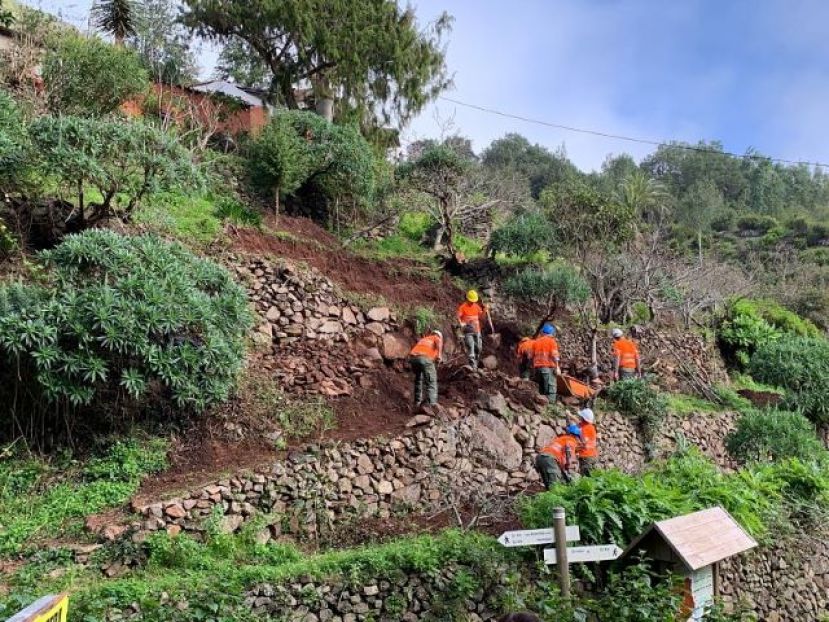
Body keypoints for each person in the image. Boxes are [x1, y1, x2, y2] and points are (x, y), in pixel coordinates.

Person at [535, 424, 581, 489]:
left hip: (540, 457)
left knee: (548, 485)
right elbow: (568, 456)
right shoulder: (571, 440)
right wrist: (569, 467)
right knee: (555, 486)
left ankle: (547, 498)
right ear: (576, 436)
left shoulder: (561, 439)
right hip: (549, 459)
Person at [456, 290, 491, 368]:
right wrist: (461, 323)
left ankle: (475, 362)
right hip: (467, 330)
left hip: (477, 330)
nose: (472, 302)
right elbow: (458, 316)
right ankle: (472, 363)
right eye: (471, 301)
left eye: (473, 301)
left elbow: (481, 317)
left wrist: (485, 310)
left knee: (479, 347)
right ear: (467, 299)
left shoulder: (476, 306)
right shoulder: (463, 307)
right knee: (470, 344)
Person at [408, 329, 443, 406]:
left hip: (413, 359)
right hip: (424, 358)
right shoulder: (436, 337)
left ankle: (417, 402)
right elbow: (439, 342)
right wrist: (439, 355)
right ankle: (432, 404)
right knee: (431, 381)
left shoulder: (424, 339)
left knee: (418, 379)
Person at [531, 323, 561, 401]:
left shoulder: (536, 342)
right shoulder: (551, 341)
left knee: (541, 388)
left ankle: (541, 405)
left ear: (543, 332)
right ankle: (550, 406)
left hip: (537, 368)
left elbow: (531, 356)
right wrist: (557, 367)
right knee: (551, 388)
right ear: (551, 333)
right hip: (548, 368)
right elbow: (555, 355)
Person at [575, 407, 598, 476]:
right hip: (592, 455)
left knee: (586, 479)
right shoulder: (589, 426)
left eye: (581, 417)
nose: (580, 418)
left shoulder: (585, 429)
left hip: (586, 457)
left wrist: (575, 449)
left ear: (583, 418)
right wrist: (570, 416)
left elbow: (584, 444)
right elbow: (578, 423)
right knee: (591, 477)